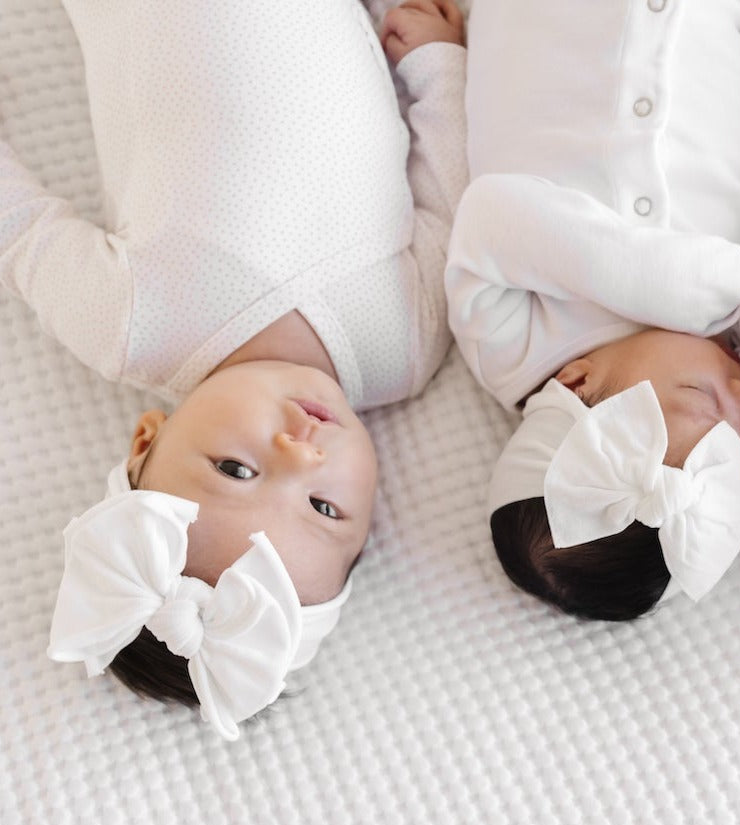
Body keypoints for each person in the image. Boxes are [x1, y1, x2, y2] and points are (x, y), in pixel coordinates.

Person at [0, 0, 467, 737]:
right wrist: (439, 69)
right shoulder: (405, 347)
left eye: (235, 470)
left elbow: (22, 231)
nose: (300, 454)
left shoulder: (134, 330)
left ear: (146, 441)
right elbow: (449, 194)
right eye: (324, 507)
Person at [445, 0, 740, 619]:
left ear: (578, 383)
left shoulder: (515, 345)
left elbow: (488, 216)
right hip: (732, 26)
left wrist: (659, 285)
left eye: (702, 398)